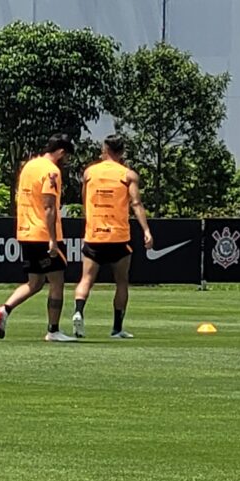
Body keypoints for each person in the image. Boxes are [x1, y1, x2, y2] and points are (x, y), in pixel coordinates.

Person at [69, 135, 154, 340]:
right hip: (118, 236)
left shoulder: (89, 172)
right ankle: (117, 328)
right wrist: (146, 230)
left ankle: (78, 311)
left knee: (86, 279)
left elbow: (84, 200)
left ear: (105, 149)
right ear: (122, 152)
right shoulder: (128, 175)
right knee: (122, 281)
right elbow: (136, 204)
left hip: (94, 234)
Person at [0, 135, 72, 341]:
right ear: (61, 152)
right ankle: (53, 330)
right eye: (67, 157)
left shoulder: (29, 166)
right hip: (43, 234)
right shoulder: (51, 171)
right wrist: (53, 240)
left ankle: (4, 310)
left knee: (34, 283)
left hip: (25, 232)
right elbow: (49, 206)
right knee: (57, 281)